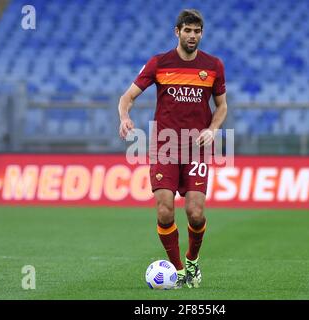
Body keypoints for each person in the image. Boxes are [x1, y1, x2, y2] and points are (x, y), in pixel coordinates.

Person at [118, 9, 227, 289]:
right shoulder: (159, 63)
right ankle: (178, 271)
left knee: (195, 212)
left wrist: (212, 130)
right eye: (187, 30)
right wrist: (124, 117)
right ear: (176, 32)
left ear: (202, 34)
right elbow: (127, 97)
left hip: (196, 149)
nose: (192, 36)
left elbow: (222, 106)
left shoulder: (213, 65)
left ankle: (192, 260)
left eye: (197, 31)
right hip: (165, 146)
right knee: (165, 211)